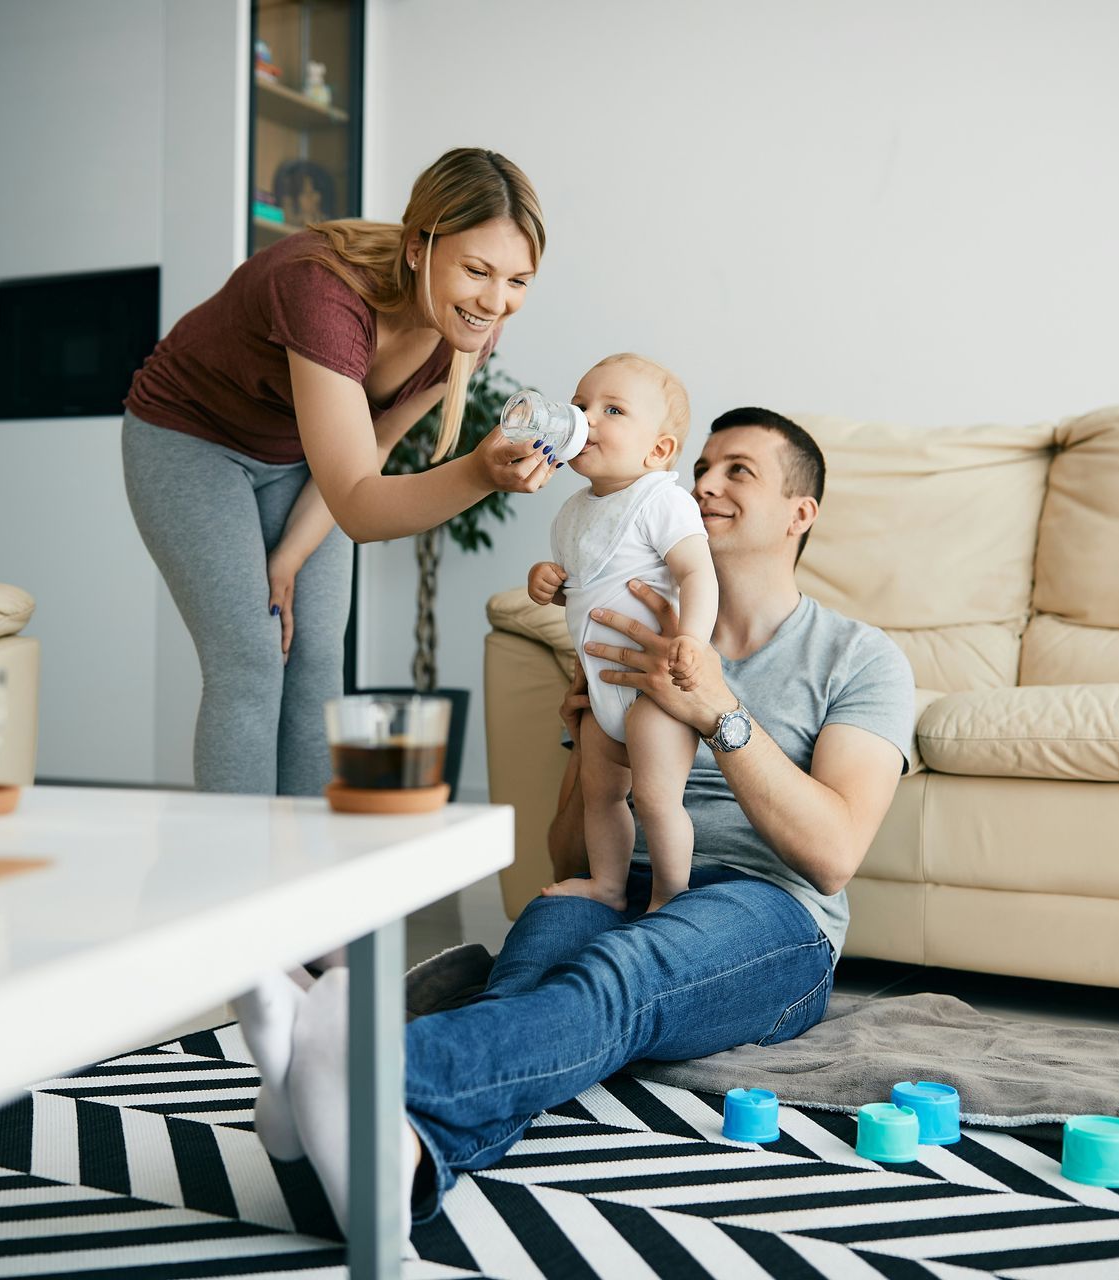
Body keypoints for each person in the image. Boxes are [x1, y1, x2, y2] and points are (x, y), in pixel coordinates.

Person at [236, 407, 918, 1236]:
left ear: (799, 513)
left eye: (739, 471)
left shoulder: (859, 657)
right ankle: (393, 1158)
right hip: (625, 875)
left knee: (622, 972)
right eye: (703, 465)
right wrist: (594, 736)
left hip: (771, 913)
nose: (706, 483)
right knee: (534, 971)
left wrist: (718, 711)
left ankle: (360, 1071)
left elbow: (834, 855)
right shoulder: (625, 630)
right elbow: (566, 852)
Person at [122, 148, 558, 796]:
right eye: (477, 270)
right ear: (418, 248)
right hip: (192, 438)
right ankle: (235, 875)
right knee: (250, 659)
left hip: (302, 457)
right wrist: (480, 474)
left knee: (320, 659)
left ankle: (310, 874)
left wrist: (290, 556)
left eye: (518, 280)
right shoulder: (323, 289)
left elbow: (371, 447)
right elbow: (359, 503)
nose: (496, 301)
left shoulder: (470, 329)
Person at [525, 353, 718, 912]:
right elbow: (582, 586)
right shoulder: (571, 513)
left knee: (658, 799)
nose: (588, 418)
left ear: (657, 451)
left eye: (613, 409)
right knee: (601, 796)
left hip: (655, 688)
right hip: (600, 684)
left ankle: (667, 894)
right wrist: (548, 582)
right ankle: (608, 885)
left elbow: (696, 572)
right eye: (581, 404)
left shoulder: (662, 499)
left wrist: (694, 641)